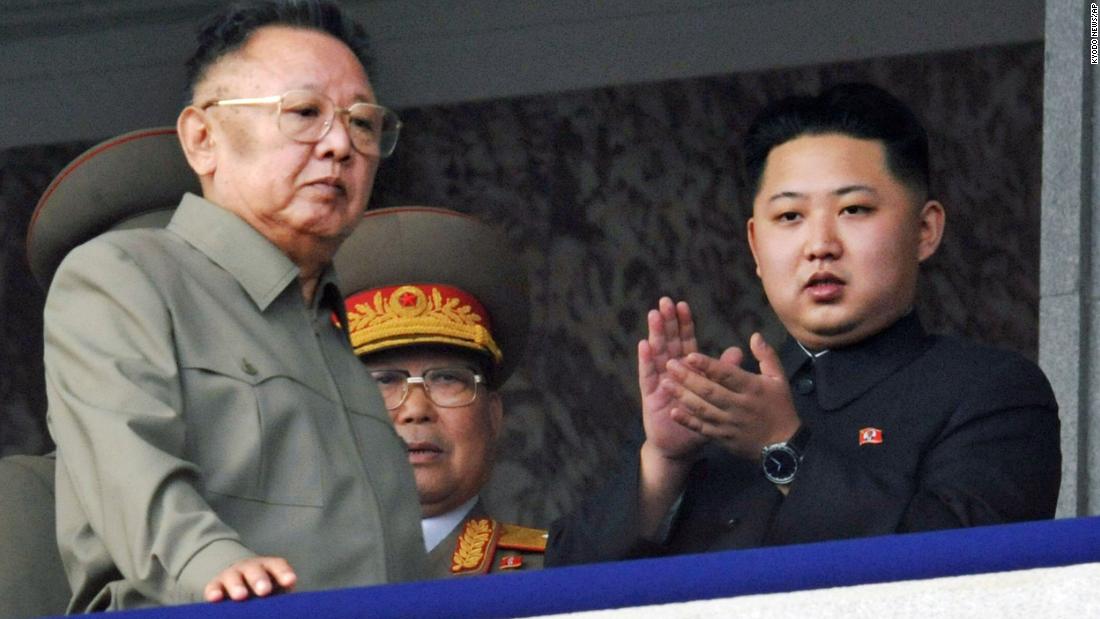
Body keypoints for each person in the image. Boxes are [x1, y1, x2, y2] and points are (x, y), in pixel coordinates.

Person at [546, 83, 1061, 564]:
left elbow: (971, 574)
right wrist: (662, 463)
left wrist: (786, 448)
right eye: (790, 216)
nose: (820, 244)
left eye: (854, 209)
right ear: (754, 244)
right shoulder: (713, 403)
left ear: (925, 230)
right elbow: (558, 587)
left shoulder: (990, 390)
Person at [37, 0, 426, 610]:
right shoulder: (122, 277)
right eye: (304, 113)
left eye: (363, 124)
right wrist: (215, 566)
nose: (340, 146)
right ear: (202, 138)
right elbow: (127, 464)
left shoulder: (339, 338)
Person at [333, 206, 547, 578]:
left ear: (494, 416)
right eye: (383, 381)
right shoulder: (278, 590)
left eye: (446, 379)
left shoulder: (550, 578)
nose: (417, 408)